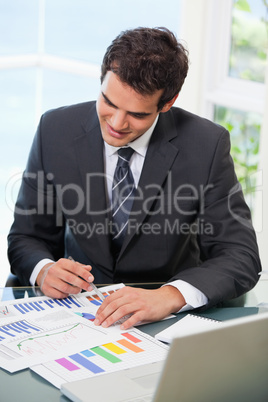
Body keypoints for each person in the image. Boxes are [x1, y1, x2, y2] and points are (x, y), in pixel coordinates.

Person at [8, 27, 261, 330]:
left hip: (162, 322)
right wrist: (44, 270)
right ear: (102, 79)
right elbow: (26, 237)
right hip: (77, 315)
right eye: (108, 102)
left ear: (167, 103)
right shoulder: (55, 129)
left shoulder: (207, 145)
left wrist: (169, 295)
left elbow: (240, 255)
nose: (116, 124)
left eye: (137, 114)